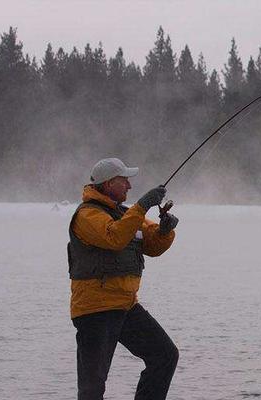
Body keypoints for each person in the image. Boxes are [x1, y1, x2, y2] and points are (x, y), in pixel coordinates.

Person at [68, 158, 180, 400]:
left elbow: (153, 246)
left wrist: (164, 231)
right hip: (95, 311)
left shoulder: (126, 214)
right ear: (108, 184)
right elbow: (114, 237)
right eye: (124, 181)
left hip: (125, 306)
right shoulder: (87, 215)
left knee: (165, 355)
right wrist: (142, 205)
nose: (129, 186)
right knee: (92, 388)